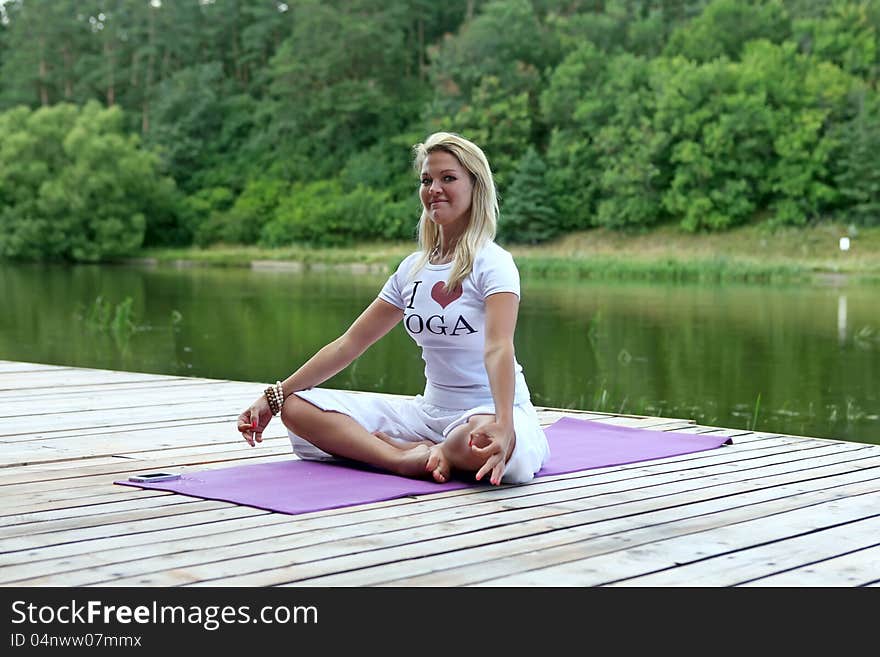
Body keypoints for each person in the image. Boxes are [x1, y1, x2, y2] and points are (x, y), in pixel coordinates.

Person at [237, 132, 550, 485]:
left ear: (476, 186)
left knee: (484, 444)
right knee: (296, 408)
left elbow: (498, 348)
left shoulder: (493, 263)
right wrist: (274, 396)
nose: (434, 188)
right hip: (427, 412)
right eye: (427, 179)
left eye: (448, 178)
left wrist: (505, 425)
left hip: (485, 411)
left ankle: (441, 451)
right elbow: (350, 343)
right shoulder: (412, 269)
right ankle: (401, 459)